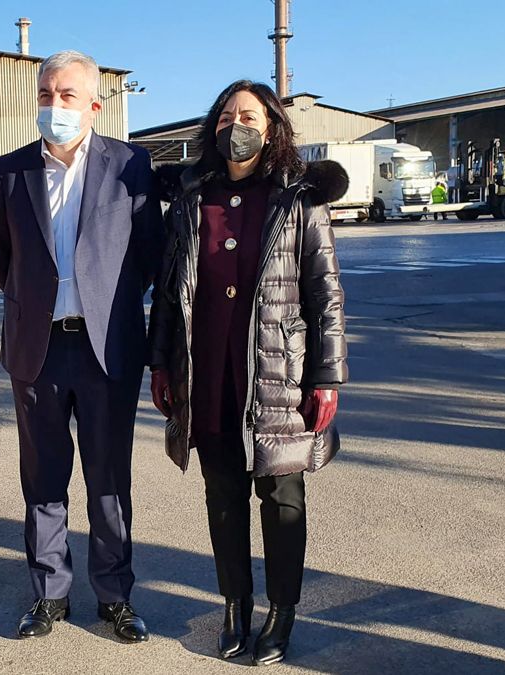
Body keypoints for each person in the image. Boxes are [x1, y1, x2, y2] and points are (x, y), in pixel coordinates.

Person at [148, 80, 349, 666]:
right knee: (223, 493)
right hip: (207, 366)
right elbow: (168, 293)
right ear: (213, 128)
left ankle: (281, 612)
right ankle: (234, 603)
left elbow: (326, 294)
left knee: (282, 492)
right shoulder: (192, 199)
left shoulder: (298, 197)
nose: (237, 125)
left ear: (272, 127)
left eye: (250, 115)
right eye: (228, 116)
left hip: (278, 367)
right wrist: (161, 362)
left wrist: (327, 377)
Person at [0, 50, 164, 644]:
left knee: (109, 478)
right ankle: (49, 594)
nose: (54, 106)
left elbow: (147, 255)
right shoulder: (11, 172)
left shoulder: (130, 165)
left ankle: (114, 595)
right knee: (43, 477)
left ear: (93, 104)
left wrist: (101, 300)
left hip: (105, 348)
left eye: (66, 96)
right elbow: (0, 257)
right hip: (37, 349)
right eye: (45, 94)